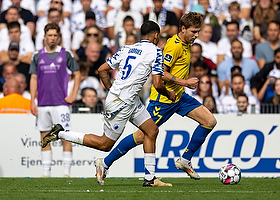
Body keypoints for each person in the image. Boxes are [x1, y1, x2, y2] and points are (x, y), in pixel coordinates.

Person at [41, 20, 175, 187]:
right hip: (122, 103)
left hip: (128, 99)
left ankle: (150, 179)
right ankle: (60, 133)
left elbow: (102, 69)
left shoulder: (127, 48)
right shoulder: (156, 51)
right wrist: (169, 93)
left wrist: (111, 89)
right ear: (156, 35)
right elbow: (157, 84)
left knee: (152, 131)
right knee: (104, 145)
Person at [92, 12, 217, 184]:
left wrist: (182, 86)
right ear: (183, 29)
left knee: (209, 121)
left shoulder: (187, 43)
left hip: (179, 97)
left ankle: (185, 160)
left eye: (198, 31)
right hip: (163, 100)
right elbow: (161, 73)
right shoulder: (174, 46)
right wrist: (185, 82)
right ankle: (105, 163)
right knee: (142, 136)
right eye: (194, 32)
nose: (197, 35)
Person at [29, 23, 81, 178]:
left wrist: (73, 94)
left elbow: (77, 74)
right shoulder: (37, 55)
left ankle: (66, 173)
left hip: (61, 104)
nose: (52, 38)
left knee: (65, 136)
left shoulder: (66, 54)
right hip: (43, 103)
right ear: (44, 37)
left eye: (55, 35)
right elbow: (33, 77)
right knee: (44, 137)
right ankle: (46, 174)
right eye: (49, 35)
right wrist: (32, 100)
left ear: (59, 37)